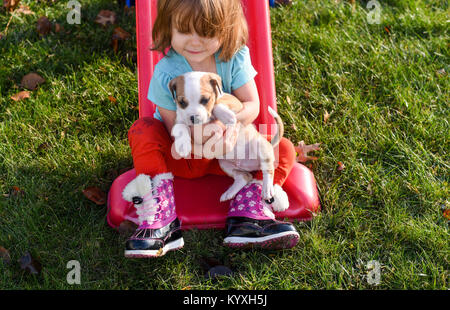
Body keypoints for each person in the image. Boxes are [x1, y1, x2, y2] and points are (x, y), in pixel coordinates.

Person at [123, 0, 299, 258]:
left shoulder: (233, 57)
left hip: (230, 156)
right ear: (168, 27)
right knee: (143, 129)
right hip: (182, 157)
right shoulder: (166, 73)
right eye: (184, 31)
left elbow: (253, 104)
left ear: (226, 30)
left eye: (206, 32)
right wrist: (204, 142)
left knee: (281, 147)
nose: (195, 42)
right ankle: (160, 217)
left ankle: (249, 211)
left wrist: (230, 125)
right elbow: (175, 128)